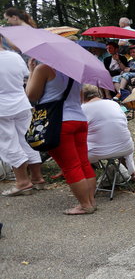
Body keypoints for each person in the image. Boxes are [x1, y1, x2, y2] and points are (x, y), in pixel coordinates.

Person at [25, 60, 96, 214]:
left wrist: (31, 71)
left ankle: (85, 205)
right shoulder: (75, 69)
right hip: (79, 119)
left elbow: (31, 95)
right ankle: (91, 201)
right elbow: (80, 96)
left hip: (58, 122)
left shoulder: (43, 68)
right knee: (83, 163)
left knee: (71, 166)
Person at [0, 46, 44, 196]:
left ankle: (22, 182)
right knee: (27, 140)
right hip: (21, 103)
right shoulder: (15, 57)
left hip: (2, 108)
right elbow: (26, 75)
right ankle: (37, 178)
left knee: (9, 143)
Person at [80, 85, 135, 182]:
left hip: (97, 153)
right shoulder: (114, 104)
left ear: (82, 96)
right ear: (99, 93)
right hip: (125, 148)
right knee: (120, 136)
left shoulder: (82, 109)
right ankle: (133, 173)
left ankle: (86, 178)